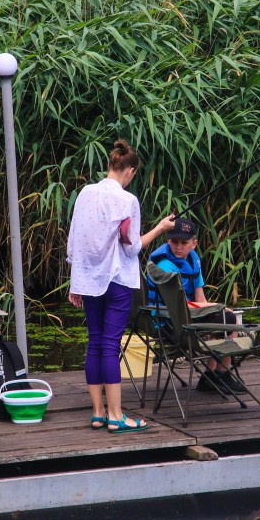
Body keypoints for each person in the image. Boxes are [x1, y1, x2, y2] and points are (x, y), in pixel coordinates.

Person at [67, 139, 175, 434]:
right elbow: (131, 248)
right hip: (116, 281)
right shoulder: (127, 201)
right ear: (129, 171)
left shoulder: (85, 194)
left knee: (95, 342)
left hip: (88, 281)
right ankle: (117, 416)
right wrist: (162, 228)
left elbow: (75, 240)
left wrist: (77, 281)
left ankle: (99, 412)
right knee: (111, 345)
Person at [145, 217, 244, 393]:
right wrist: (217, 307)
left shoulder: (193, 261)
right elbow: (180, 307)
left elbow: (200, 297)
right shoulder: (165, 266)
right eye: (174, 241)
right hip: (168, 321)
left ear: (194, 243)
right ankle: (220, 375)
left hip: (187, 315)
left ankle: (214, 376)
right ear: (168, 240)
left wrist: (214, 309)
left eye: (184, 242)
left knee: (228, 318)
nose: (178, 246)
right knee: (227, 318)